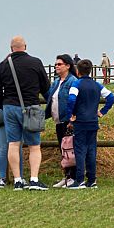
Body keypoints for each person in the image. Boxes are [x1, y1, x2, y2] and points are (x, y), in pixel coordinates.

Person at [0, 36, 50, 191]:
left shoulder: (3, 65)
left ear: (11, 48)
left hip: (10, 107)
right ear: (25, 46)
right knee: (34, 145)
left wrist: (3, 104)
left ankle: (18, 180)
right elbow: (46, 86)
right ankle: (34, 179)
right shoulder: (35, 62)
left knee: (13, 143)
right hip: (31, 106)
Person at [66, 59, 114, 189]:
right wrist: (102, 111)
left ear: (78, 71)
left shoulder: (76, 84)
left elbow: (71, 99)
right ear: (90, 70)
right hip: (93, 121)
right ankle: (92, 180)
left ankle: (80, 180)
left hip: (81, 121)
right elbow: (111, 97)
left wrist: (71, 115)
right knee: (91, 150)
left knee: (80, 151)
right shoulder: (97, 85)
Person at [45, 54, 78, 188]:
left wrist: (72, 118)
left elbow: (75, 100)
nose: (56, 66)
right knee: (63, 149)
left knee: (71, 149)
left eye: (59, 64)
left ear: (68, 66)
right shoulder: (56, 82)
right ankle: (67, 176)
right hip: (58, 120)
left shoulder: (73, 81)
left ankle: (73, 177)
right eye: (56, 64)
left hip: (68, 120)